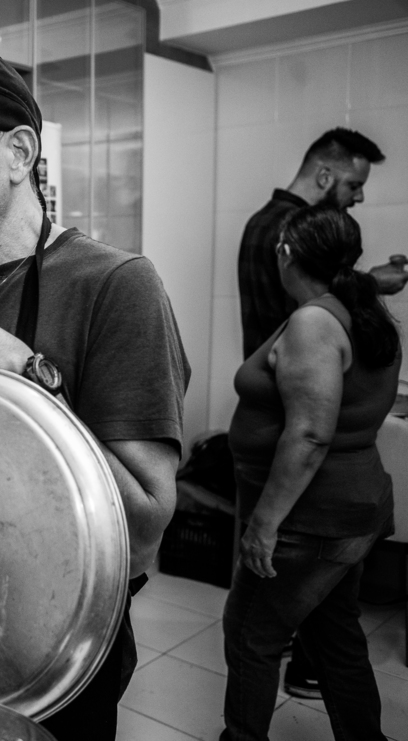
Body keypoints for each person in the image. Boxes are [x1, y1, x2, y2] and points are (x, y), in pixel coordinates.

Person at [0, 56, 190, 740]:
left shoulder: (115, 285)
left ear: (19, 152)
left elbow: (143, 526)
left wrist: (19, 363)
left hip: (57, 653)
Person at [222, 204, 399, 741]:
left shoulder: (314, 323)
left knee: (250, 634)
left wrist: (264, 525)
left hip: (310, 519)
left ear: (286, 253)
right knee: (335, 634)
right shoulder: (360, 311)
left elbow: (310, 435)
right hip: (349, 511)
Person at [239, 127, 407, 358]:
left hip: (269, 367)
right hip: (297, 368)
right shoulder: (299, 229)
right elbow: (319, 306)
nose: (360, 197)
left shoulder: (260, 218)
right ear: (325, 177)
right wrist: (371, 283)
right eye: (353, 186)